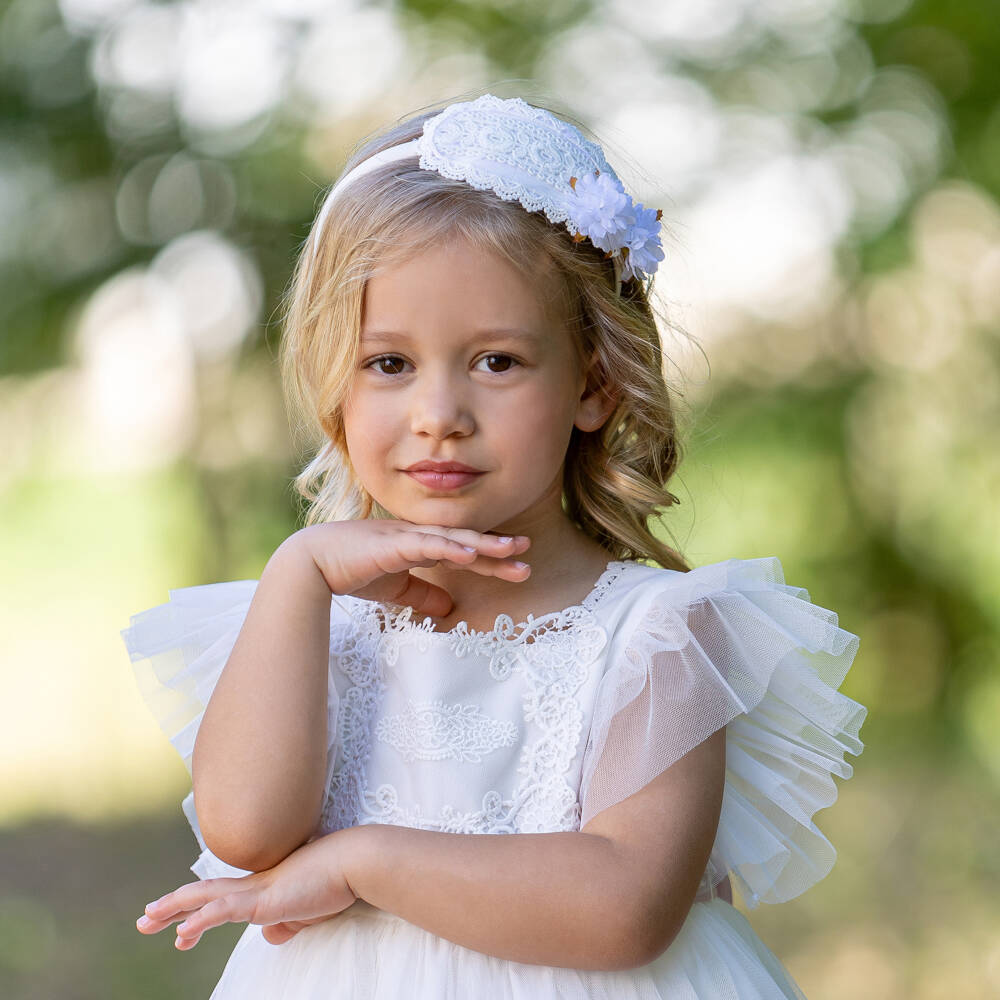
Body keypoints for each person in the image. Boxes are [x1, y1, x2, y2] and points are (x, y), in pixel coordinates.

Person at [121, 92, 867, 998]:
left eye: (496, 362)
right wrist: (299, 573)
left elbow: (624, 907)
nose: (440, 418)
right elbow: (243, 833)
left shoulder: (658, 636)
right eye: (388, 364)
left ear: (594, 383)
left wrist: (362, 863)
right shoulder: (310, 619)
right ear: (336, 382)